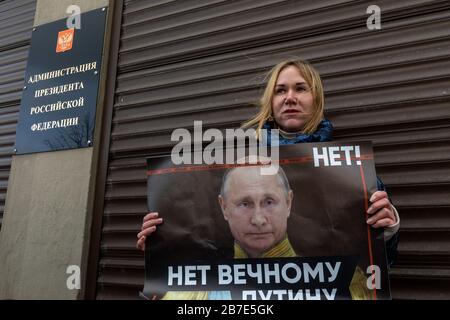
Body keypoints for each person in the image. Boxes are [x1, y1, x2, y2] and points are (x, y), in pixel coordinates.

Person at [137, 59, 400, 297]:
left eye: (301, 88)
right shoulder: (196, 289)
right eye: (280, 90)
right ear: (223, 206)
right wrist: (159, 244)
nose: (290, 98)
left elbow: (378, 271)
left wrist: (387, 231)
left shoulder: (352, 173)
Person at [141, 163, 373, 300]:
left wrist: (384, 230)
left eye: (269, 201)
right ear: (223, 207)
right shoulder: (190, 289)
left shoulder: (347, 281)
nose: (258, 219)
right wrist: (155, 249)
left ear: (289, 203)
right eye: (244, 203)